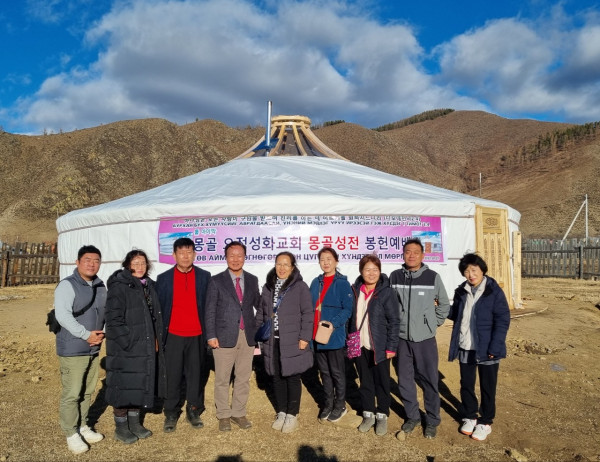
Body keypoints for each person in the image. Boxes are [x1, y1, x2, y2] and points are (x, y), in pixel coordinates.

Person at [104, 249, 166, 444]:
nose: (140, 267)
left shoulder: (149, 286)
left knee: (138, 384)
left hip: (145, 344)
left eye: (143, 263)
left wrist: (155, 339)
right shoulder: (120, 286)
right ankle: (121, 428)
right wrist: (127, 342)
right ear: (128, 265)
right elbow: (113, 319)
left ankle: (135, 423)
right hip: (127, 347)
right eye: (136, 263)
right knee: (123, 386)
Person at [390, 238, 450, 439]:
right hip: (402, 339)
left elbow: (444, 304)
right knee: (405, 379)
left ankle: (432, 419)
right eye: (408, 251)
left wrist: (432, 323)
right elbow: (390, 305)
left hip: (425, 339)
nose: (411, 255)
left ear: (422, 255)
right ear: (403, 254)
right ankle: (412, 416)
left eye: (416, 252)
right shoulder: (395, 276)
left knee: (429, 380)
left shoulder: (432, 277)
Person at [448, 253, 510, 441]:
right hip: (466, 345)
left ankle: (485, 421)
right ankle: (470, 416)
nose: (471, 274)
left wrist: (495, 346)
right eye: (466, 271)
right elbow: (456, 314)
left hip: (487, 347)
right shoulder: (461, 291)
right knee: (466, 384)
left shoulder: (493, 291)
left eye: (474, 270)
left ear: (482, 270)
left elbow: (502, 319)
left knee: (487, 386)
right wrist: (440, 306)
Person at [54, 245, 107, 454]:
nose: (92, 264)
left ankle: (83, 425)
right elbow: (62, 315)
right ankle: (71, 432)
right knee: (73, 392)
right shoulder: (68, 285)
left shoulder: (100, 285)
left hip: (93, 348)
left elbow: (104, 313)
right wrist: (86, 335)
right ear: (77, 262)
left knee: (87, 390)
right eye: (87, 260)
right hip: (73, 348)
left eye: (96, 260)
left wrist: (102, 333)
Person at [155, 237, 211, 432]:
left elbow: (209, 306)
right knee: (172, 376)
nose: (185, 256)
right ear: (174, 255)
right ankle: (171, 412)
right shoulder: (164, 279)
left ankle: (193, 410)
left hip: (197, 335)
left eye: (189, 252)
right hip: (173, 335)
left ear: (195, 254)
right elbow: (158, 311)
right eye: (181, 253)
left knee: (196, 376)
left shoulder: (204, 277)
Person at [255, 251, 313, 433]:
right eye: (279, 264)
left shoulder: (300, 287)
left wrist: (304, 337)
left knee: (293, 377)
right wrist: (258, 336)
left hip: (292, 339)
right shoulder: (268, 287)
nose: (282, 268)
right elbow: (261, 313)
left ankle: (292, 414)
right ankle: (281, 411)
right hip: (272, 340)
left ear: (292, 267)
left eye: (286, 264)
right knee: (276, 376)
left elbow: (307, 313)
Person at [205, 241, 260, 432]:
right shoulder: (216, 280)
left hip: (247, 336)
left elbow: (259, 305)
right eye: (232, 255)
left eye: (239, 255)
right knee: (222, 378)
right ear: (226, 257)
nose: (236, 259)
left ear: (245, 257)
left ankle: (238, 412)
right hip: (223, 335)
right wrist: (211, 335)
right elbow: (210, 310)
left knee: (243, 377)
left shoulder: (252, 279)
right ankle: (223, 415)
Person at [350, 254, 400, 436]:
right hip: (360, 344)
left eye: (375, 269)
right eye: (367, 269)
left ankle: (382, 414)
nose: (371, 273)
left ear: (380, 271)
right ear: (361, 271)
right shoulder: (355, 291)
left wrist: (391, 347)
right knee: (365, 381)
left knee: (382, 381)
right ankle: (368, 413)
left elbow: (394, 321)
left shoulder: (386, 292)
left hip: (379, 346)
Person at [309, 247, 353, 423]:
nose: (325, 263)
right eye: (322, 259)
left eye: (329, 259)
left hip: (333, 336)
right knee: (324, 373)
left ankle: (340, 405)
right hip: (317, 336)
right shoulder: (316, 282)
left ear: (336, 261)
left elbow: (347, 309)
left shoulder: (342, 284)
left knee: (337, 373)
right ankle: (328, 404)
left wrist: (332, 324)